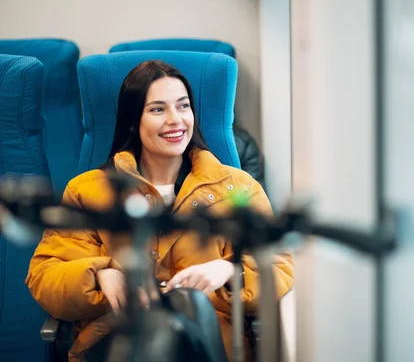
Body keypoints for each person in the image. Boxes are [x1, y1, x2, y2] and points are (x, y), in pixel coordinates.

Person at [25, 60, 295, 362]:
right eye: (157, 109)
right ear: (132, 120)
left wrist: (230, 270)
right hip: (118, 345)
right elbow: (45, 277)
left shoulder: (237, 187)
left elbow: (278, 265)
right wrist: (100, 275)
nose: (175, 120)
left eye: (183, 106)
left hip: (207, 346)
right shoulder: (87, 191)